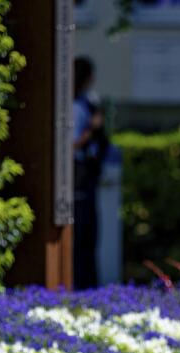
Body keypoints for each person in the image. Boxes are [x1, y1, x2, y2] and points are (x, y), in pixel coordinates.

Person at [73, 57, 109, 290]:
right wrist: (91, 130)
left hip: (87, 174)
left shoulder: (88, 102)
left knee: (88, 234)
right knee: (82, 233)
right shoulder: (77, 106)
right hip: (78, 175)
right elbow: (73, 144)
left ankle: (88, 284)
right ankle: (83, 283)